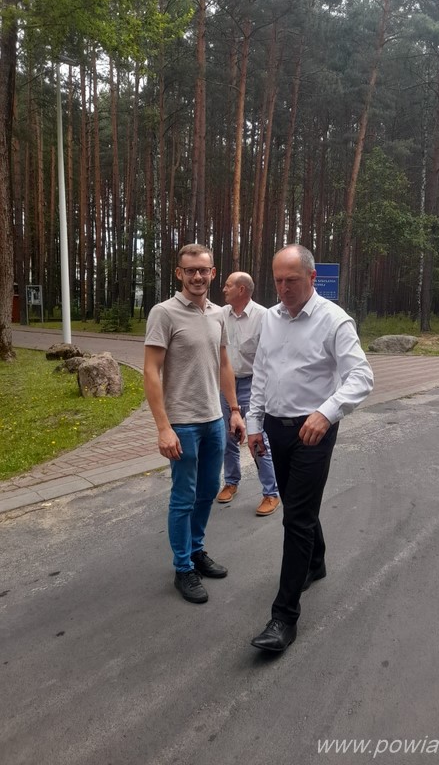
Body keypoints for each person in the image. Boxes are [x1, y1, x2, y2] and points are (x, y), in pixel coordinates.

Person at [246, 244, 374, 652]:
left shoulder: (334, 320)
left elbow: (361, 377)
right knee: (296, 506)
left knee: (296, 519)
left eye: (292, 280)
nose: (284, 289)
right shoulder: (270, 318)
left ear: (312, 278)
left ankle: (284, 618)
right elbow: (262, 372)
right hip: (276, 428)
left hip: (313, 431)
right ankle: (315, 562)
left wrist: (327, 412)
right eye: (278, 281)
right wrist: (254, 424)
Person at [144, 243, 245, 605]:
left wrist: (235, 410)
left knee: (207, 491)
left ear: (213, 273)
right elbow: (151, 371)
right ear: (179, 274)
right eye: (190, 270)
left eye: (203, 270)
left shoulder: (219, 315)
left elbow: (224, 364)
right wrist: (163, 427)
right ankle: (183, 567)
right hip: (182, 425)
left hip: (214, 420)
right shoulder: (164, 313)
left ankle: (197, 550)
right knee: (183, 498)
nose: (197, 276)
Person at [217, 271, 281, 517]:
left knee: (257, 438)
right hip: (226, 384)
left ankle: (271, 493)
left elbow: (272, 355)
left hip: (253, 384)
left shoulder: (264, 317)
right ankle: (231, 482)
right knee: (228, 437)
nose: (224, 289)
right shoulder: (221, 315)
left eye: (228, 285)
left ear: (241, 289)